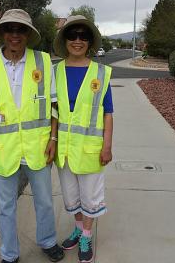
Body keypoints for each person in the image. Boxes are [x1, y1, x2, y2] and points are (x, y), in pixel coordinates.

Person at [0, 9, 64, 263]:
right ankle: (9, 254)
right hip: (4, 149)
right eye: (10, 29)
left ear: (28, 34)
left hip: (38, 146)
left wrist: (53, 139)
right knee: (5, 207)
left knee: (44, 201)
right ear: (2, 34)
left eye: (20, 30)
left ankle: (48, 241)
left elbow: (54, 106)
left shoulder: (43, 62)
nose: (15, 35)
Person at [53, 15, 114, 263]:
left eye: (83, 36)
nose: (77, 40)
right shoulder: (55, 71)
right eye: (72, 35)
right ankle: (78, 228)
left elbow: (107, 113)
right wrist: (52, 140)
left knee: (90, 197)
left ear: (89, 42)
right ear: (65, 40)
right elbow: (53, 111)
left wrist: (107, 145)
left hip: (90, 149)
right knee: (71, 196)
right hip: (65, 150)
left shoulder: (101, 72)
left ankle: (86, 234)